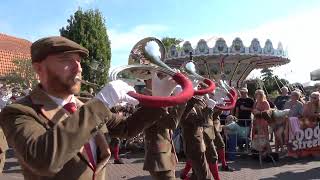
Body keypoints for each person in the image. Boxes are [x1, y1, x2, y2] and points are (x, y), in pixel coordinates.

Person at [0, 36, 180, 180]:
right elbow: (44, 160)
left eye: (78, 61)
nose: (78, 67)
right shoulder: (19, 111)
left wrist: (160, 100)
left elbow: (125, 128)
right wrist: (102, 101)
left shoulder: (83, 106)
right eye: (66, 60)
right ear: (39, 69)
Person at [142, 75, 186, 180]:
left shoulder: (157, 100)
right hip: (159, 157)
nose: (161, 81)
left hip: (164, 154)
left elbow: (169, 130)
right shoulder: (149, 102)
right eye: (157, 78)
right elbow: (171, 123)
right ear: (148, 81)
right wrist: (182, 99)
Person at [251, 89, 271, 157]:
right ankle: (259, 153)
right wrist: (254, 111)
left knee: (264, 137)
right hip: (257, 121)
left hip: (263, 122)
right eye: (256, 94)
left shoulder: (265, 102)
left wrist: (259, 112)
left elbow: (267, 112)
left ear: (261, 95)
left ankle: (268, 153)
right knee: (257, 137)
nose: (257, 95)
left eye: (258, 94)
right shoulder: (256, 102)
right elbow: (253, 110)